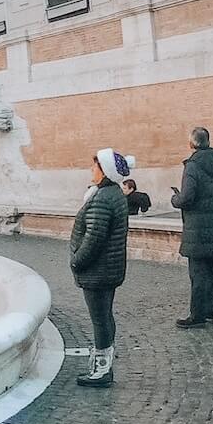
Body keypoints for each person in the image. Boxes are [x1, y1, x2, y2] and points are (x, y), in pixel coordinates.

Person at [71, 149, 134, 388]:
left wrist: (77, 260)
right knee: (105, 316)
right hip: (109, 268)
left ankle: (101, 370)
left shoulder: (103, 198)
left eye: (94, 166)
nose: (91, 170)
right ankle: (104, 364)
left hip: (98, 270)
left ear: (104, 171)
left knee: (99, 319)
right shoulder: (113, 194)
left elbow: (94, 237)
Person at [173, 127, 213, 329]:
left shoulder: (192, 166)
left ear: (192, 144)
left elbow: (187, 197)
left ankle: (196, 316)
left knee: (198, 274)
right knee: (212, 272)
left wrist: (175, 199)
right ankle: (210, 313)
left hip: (196, 229)